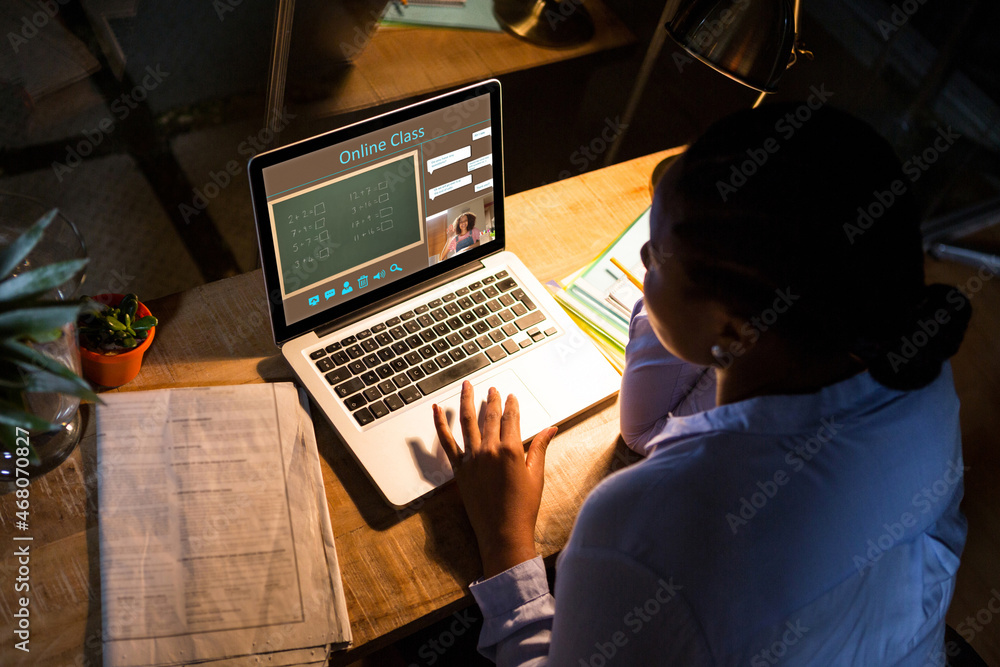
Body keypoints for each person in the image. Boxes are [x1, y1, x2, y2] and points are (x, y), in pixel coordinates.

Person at [431, 104, 972, 665]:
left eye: (657, 258)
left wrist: (506, 542)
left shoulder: (640, 533)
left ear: (734, 327)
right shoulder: (917, 375)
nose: (640, 260)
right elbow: (650, 424)